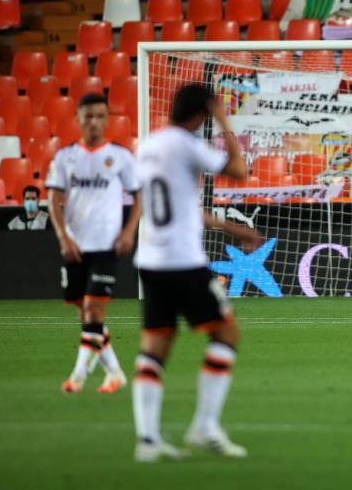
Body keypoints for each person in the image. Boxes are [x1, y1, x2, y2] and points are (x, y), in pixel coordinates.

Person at [132, 83, 260, 463]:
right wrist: (224, 122)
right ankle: (204, 426)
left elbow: (174, 205)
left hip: (151, 260)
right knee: (227, 333)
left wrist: (229, 228)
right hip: (183, 261)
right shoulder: (186, 145)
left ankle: (148, 440)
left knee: (154, 347)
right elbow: (239, 170)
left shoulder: (150, 146)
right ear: (202, 111)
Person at [46, 93, 141, 395]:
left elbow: (140, 196)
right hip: (75, 244)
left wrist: (128, 232)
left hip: (106, 245)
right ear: (78, 118)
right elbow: (52, 198)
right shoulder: (64, 157)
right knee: (85, 312)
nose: (95, 122)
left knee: (93, 309)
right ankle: (114, 372)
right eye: (89, 116)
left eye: (101, 116)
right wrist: (63, 237)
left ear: (107, 119)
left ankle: (78, 375)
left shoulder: (121, 156)